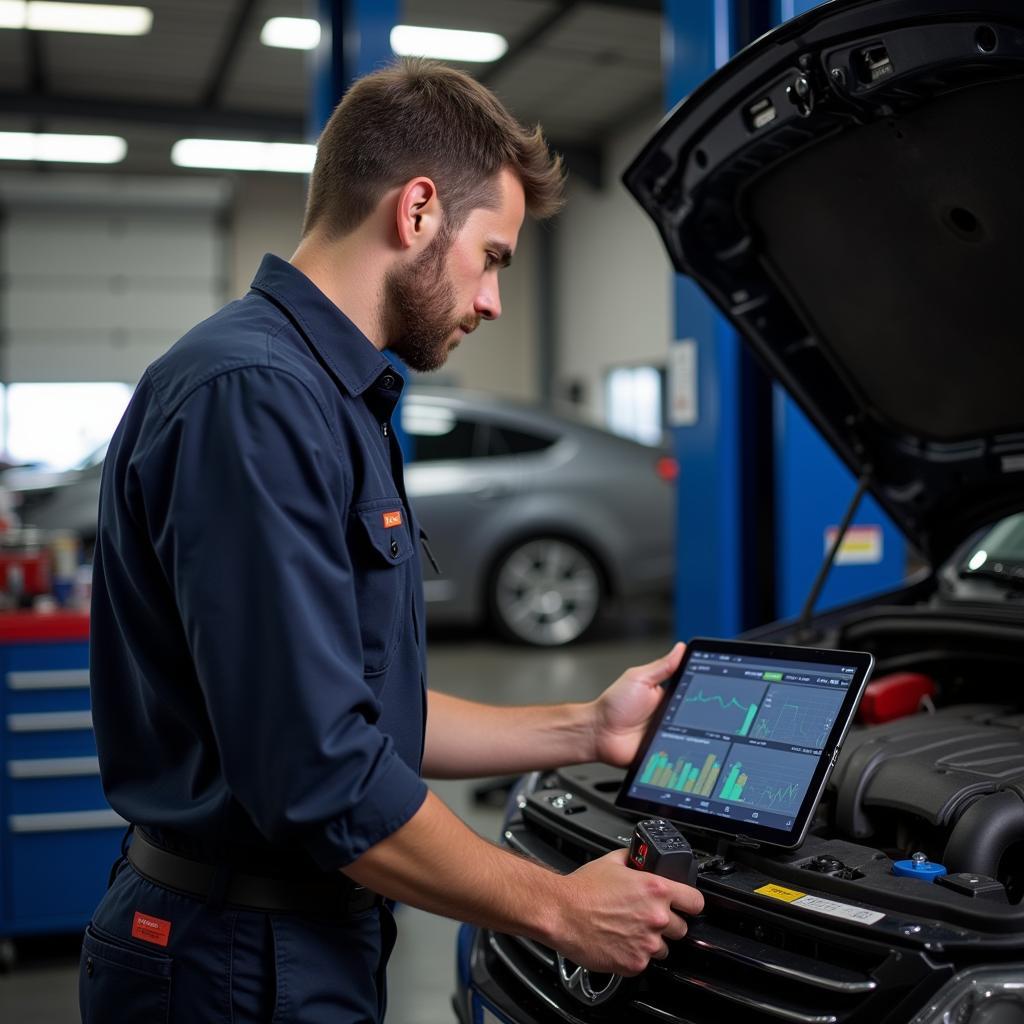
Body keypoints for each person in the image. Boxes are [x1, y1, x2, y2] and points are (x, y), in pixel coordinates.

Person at [80, 58, 702, 1024]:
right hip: (234, 964)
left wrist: (586, 726)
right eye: (493, 255)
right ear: (417, 212)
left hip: (295, 938)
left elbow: (364, 718)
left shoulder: (330, 399)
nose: (494, 299)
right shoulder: (255, 399)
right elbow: (318, 773)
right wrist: (559, 906)